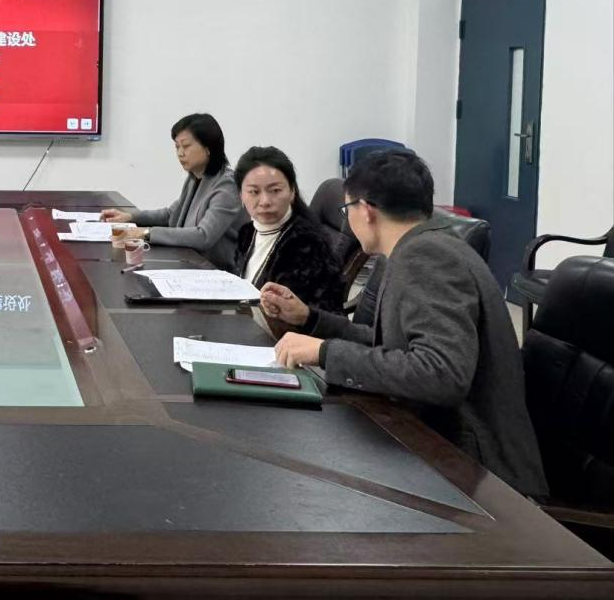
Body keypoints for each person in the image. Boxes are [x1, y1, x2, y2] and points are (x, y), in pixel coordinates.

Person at [265, 150, 547, 498]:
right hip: (442, 443)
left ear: (366, 210)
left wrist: (326, 353)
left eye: (347, 210)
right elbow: (395, 346)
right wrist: (311, 320)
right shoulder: (420, 246)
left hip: (477, 475)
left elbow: (440, 373)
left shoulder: (427, 257)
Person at [101, 113, 244, 270]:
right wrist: (130, 217)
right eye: (177, 147)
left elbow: (203, 236)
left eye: (186, 146)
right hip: (187, 263)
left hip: (215, 272)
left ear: (208, 148)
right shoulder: (195, 178)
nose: (180, 153)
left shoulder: (227, 185)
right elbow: (171, 215)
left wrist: (145, 233)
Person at [233, 146, 343, 326]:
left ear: (292, 192)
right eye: (254, 192)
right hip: (250, 325)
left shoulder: (306, 244)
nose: (265, 201)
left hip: (291, 336)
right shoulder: (246, 233)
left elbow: (299, 317)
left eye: (275, 190)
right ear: (241, 195)